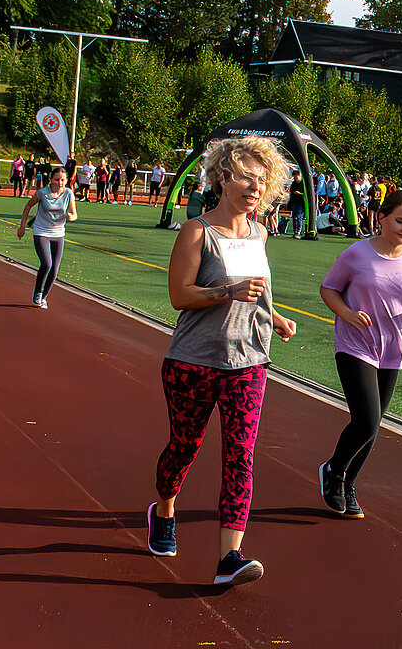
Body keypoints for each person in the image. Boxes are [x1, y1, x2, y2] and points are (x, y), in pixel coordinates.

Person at [145, 135, 296, 587]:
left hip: (248, 362)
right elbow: (179, 296)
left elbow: (258, 292)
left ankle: (230, 556)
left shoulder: (260, 233)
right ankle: (164, 510)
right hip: (193, 361)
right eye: (245, 177)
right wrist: (228, 292)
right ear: (222, 179)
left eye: (261, 179)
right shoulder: (197, 231)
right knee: (183, 448)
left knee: (240, 455)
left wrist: (275, 317)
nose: (255, 186)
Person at [318, 190, 402, 521]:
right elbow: (328, 289)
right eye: (400, 221)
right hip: (355, 345)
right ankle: (334, 470)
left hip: (392, 351)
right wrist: (347, 313)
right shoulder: (357, 254)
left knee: (373, 426)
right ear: (382, 218)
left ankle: (349, 484)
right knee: (367, 419)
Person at [16, 165, 77, 308]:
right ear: (51, 179)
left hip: (58, 233)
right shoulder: (42, 193)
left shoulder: (68, 193)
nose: (60, 183)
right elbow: (28, 206)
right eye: (57, 179)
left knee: (54, 270)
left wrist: (70, 216)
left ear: (66, 181)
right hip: (41, 231)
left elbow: (74, 214)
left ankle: (44, 297)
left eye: (63, 180)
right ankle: (38, 292)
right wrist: (22, 226)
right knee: (46, 264)